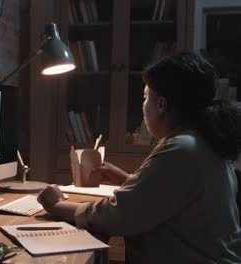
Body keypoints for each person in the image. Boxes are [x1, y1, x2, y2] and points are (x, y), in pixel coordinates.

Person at [37, 51, 241, 264]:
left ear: (161, 104)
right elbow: (169, 196)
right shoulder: (201, 140)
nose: (143, 105)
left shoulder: (183, 149)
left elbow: (119, 216)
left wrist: (58, 205)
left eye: (145, 97)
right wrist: (128, 179)